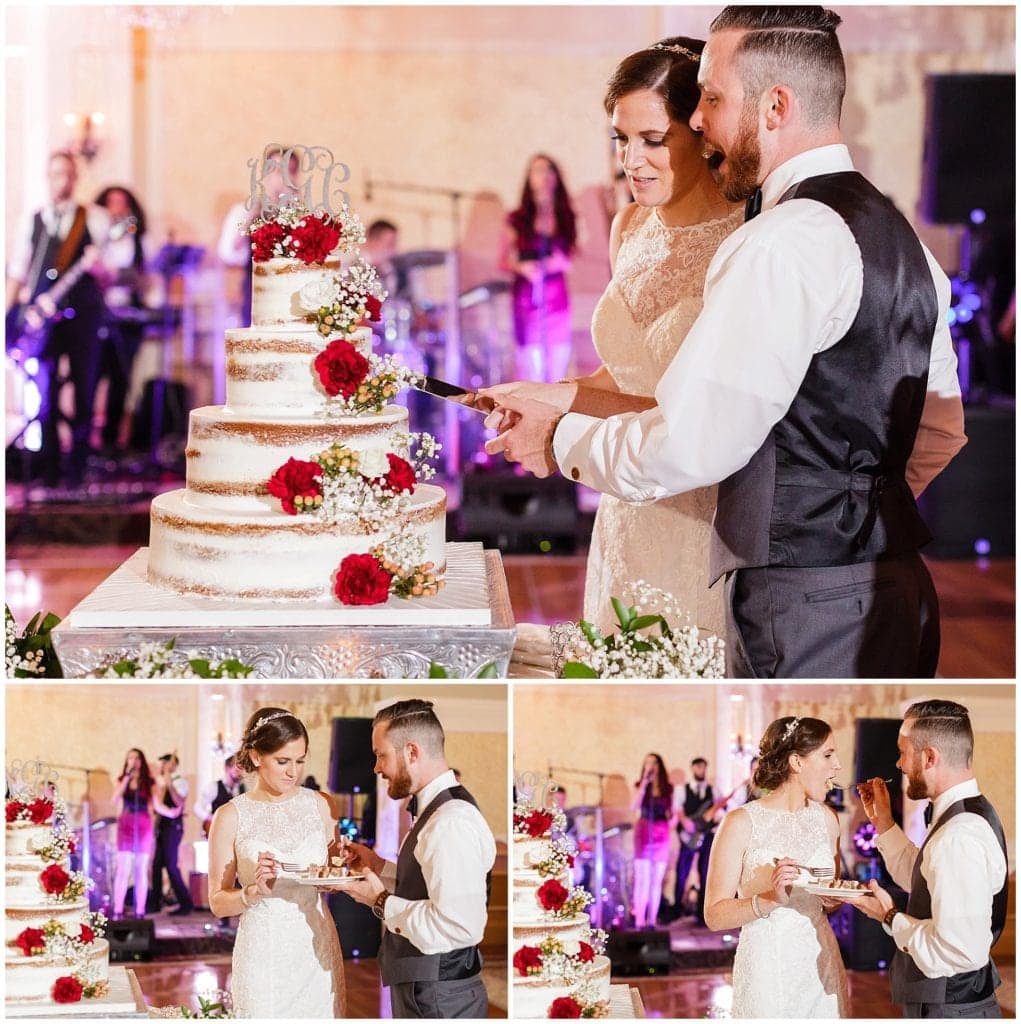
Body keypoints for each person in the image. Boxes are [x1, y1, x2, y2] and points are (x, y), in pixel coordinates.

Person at [480, 6, 967, 679]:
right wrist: (852, 510)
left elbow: (690, 443)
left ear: (774, 105)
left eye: (710, 98)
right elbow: (939, 427)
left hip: (787, 593)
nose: (701, 120)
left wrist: (556, 440)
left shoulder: (773, 242)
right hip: (886, 587)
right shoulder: (893, 232)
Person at [340, 699, 496, 1018]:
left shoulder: (451, 821)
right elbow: (427, 886)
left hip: (439, 995)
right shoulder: (435, 811)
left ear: (412, 752)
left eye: (381, 755)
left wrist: (381, 901)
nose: (377, 768)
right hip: (428, 988)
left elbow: (459, 925)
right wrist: (377, 866)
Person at [856, 700, 1008, 1019]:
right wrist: (883, 822)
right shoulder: (964, 815)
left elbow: (959, 951)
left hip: (951, 1007)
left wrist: (889, 916)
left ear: (929, 757)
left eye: (902, 752)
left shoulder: (958, 836)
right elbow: (924, 876)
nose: (898, 764)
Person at [705, 717, 848, 1017]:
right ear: (797, 762)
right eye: (828, 755)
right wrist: (771, 899)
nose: (837, 765)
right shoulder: (740, 823)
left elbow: (827, 898)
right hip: (767, 967)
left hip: (821, 963)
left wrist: (833, 901)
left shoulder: (828, 820)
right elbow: (715, 915)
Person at [208, 708, 345, 1018]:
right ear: (256, 756)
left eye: (300, 761)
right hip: (263, 950)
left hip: (316, 943)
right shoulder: (230, 816)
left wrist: (338, 875)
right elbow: (217, 902)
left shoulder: (322, 805)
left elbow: (334, 873)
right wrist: (253, 892)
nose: (292, 772)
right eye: (282, 761)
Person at [6, 149, 111, 487]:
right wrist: (10, 313)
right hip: (43, 318)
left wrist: (97, 266)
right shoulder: (34, 219)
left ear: (75, 177)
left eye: (66, 173)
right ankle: (48, 470)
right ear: (47, 177)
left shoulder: (94, 218)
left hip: (83, 315)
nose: (60, 180)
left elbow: (108, 277)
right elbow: (19, 271)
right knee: (45, 391)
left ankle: (78, 470)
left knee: (84, 387)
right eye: (54, 174)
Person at [499, 154, 577, 382]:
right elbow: (503, 260)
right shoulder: (516, 219)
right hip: (528, 300)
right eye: (538, 170)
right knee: (532, 368)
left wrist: (561, 262)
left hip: (557, 298)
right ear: (529, 178)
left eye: (548, 170)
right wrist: (522, 267)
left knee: (558, 369)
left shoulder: (566, 217)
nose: (544, 175)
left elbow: (571, 254)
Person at [217, 146, 301, 327]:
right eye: (277, 170)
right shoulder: (245, 211)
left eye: (288, 172)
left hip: (291, 294)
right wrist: (255, 212)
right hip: (256, 291)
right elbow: (229, 251)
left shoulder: (300, 214)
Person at [93, 185, 148, 454]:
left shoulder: (135, 239)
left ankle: (112, 441)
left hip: (126, 319)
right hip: (97, 318)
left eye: (121, 203)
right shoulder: (94, 238)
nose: (116, 209)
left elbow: (140, 277)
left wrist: (118, 276)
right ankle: (86, 442)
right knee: (91, 378)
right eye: (111, 203)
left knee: (121, 379)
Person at [112, 748, 178, 918]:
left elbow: (156, 805)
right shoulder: (122, 780)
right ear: (126, 762)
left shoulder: (150, 782)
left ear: (141, 761)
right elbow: (114, 799)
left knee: (141, 869)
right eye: (130, 758)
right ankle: (118, 910)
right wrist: (126, 778)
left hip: (143, 825)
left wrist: (171, 813)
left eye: (136, 758)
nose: (133, 761)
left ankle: (140, 911)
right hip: (125, 824)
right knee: (123, 869)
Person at [671, 757, 724, 926]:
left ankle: (702, 912)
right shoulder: (681, 789)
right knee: (682, 872)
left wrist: (716, 817)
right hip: (688, 837)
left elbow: (719, 809)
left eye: (704, 767)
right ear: (693, 768)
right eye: (699, 767)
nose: (702, 770)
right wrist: (685, 821)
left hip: (707, 835)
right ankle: (677, 908)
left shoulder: (713, 790)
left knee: (705, 872)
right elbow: (677, 809)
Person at [630, 752, 675, 929]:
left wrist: (674, 820)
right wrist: (644, 784)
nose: (651, 766)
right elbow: (634, 806)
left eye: (654, 763)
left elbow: (672, 813)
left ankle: (651, 921)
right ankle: (639, 920)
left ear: (659, 766)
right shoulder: (640, 785)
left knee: (656, 879)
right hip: (643, 829)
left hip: (661, 831)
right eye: (647, 763)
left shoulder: (668, 788)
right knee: (643, 878)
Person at [147, 753, 193, 917]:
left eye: (165, 763)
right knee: (156, 865)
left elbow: (179, 802)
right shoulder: (160, 783)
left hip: (173, 827)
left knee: (171, 865)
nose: (161, 767)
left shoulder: (180, 781)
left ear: (172, 765)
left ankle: (186, 903)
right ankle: (154, 903)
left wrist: (170, 783)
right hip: (163, 826)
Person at [195, 754, 246, 836]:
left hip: (234, 834)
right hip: (217, 833)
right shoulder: (213, 787)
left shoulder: (243, 789)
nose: (241, 772)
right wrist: (212, 818)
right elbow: (198, 807)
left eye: (242, 769)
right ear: (227, 768)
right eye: (238, 768)